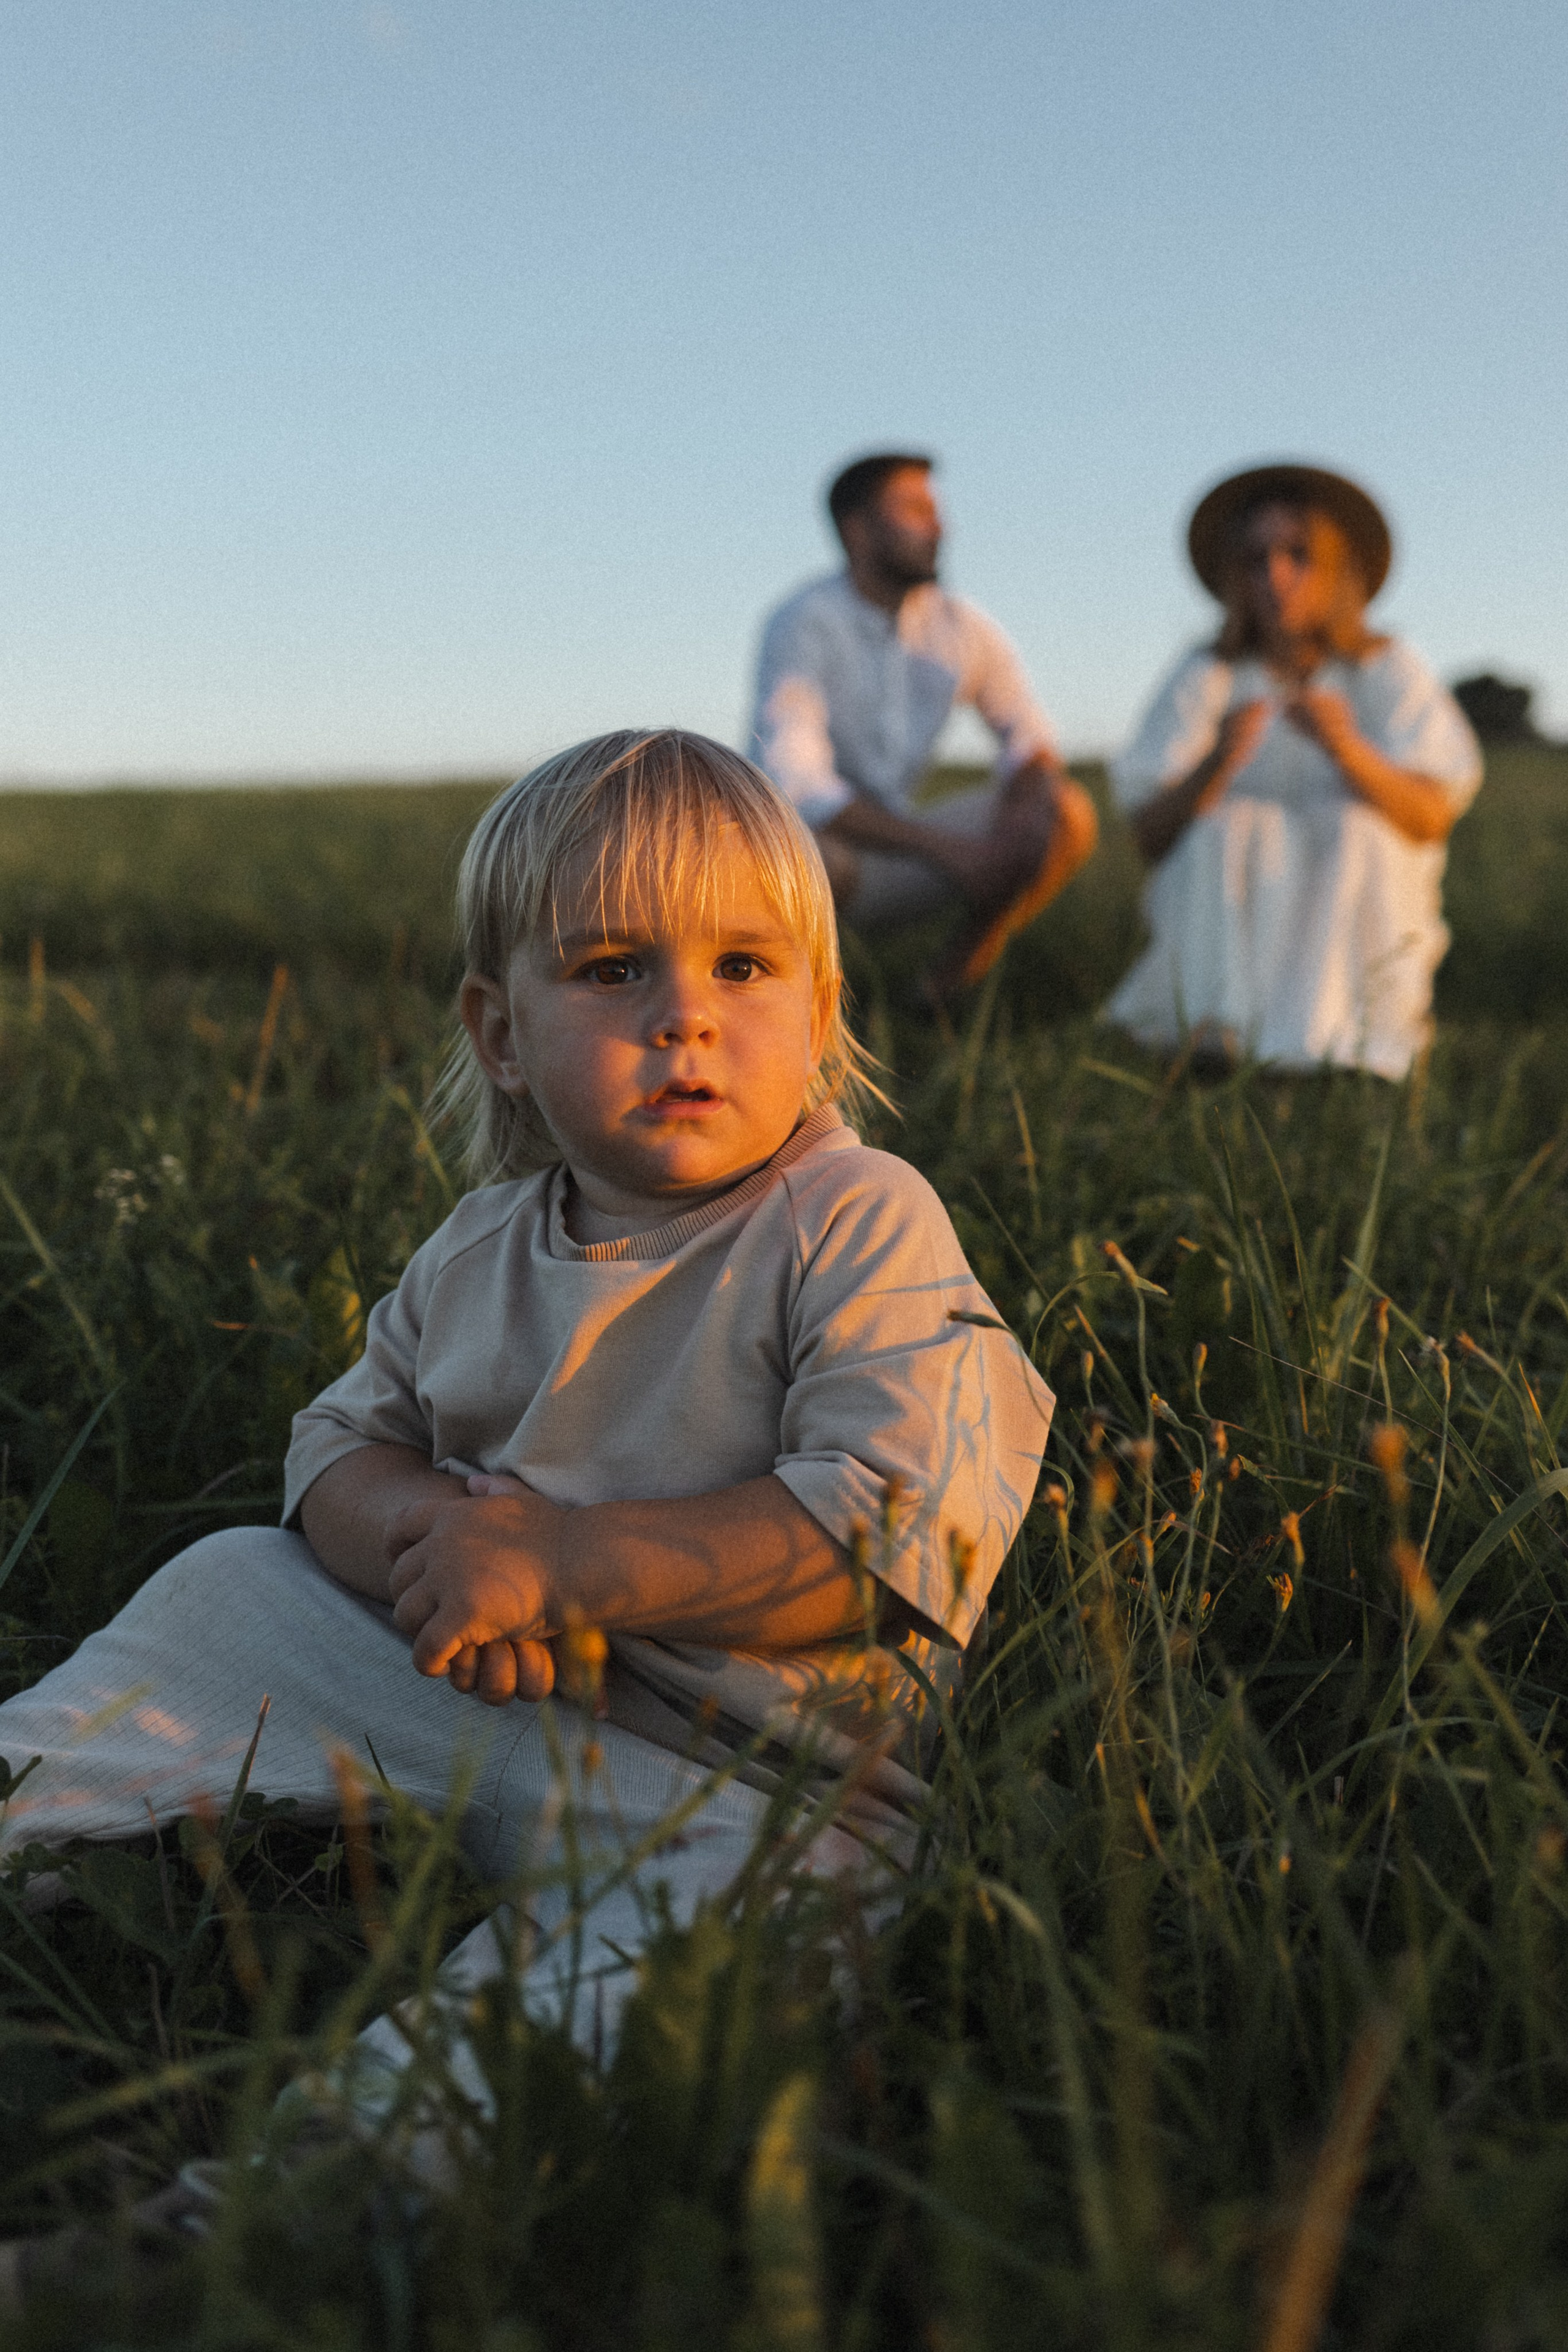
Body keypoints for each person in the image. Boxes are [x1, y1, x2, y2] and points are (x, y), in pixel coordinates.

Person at [0, 730, 1053, 2089]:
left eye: (742, 966)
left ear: (817, 1006)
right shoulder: (480, 1241)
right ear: (501, 1034)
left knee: (814, 1887)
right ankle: (38, 1800)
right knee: (232, 1581)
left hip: (735, 1783)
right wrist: (438, 1544)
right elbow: (332, 1447)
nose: (685, 1014)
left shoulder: (853, 1218)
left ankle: (317, 2186)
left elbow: (889, 1533)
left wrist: (564, 1569)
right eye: (614, 969)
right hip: (454, 1691)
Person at [1103, 463, 1482, 1078]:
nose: (1275, 575)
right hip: (1229, 918)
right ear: (1234, 576)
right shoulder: (1209, 672)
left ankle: (1348, 1042)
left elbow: (1432, 816)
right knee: (1233, 821)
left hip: (1363, 906)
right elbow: (1150, 838)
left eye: (1298, 555)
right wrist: (1213, 766)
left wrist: (1350, 752)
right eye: (1255, 560)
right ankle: (1217, 1032)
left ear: (1336, 569)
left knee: (1356, 826)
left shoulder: (1383, 668)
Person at [750, 452, 1098, 995]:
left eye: (935, 510)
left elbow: (1029, 735)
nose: (940, 527)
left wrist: (1027, 806)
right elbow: (797, 785)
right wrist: (947, 850)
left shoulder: (962, 627)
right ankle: (796, 1014)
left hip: (904, 854)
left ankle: (942, 992)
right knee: (805, 854)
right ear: (858, 531)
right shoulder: (804, 622)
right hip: (820, 862)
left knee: (1065, 813)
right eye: (915, 510)